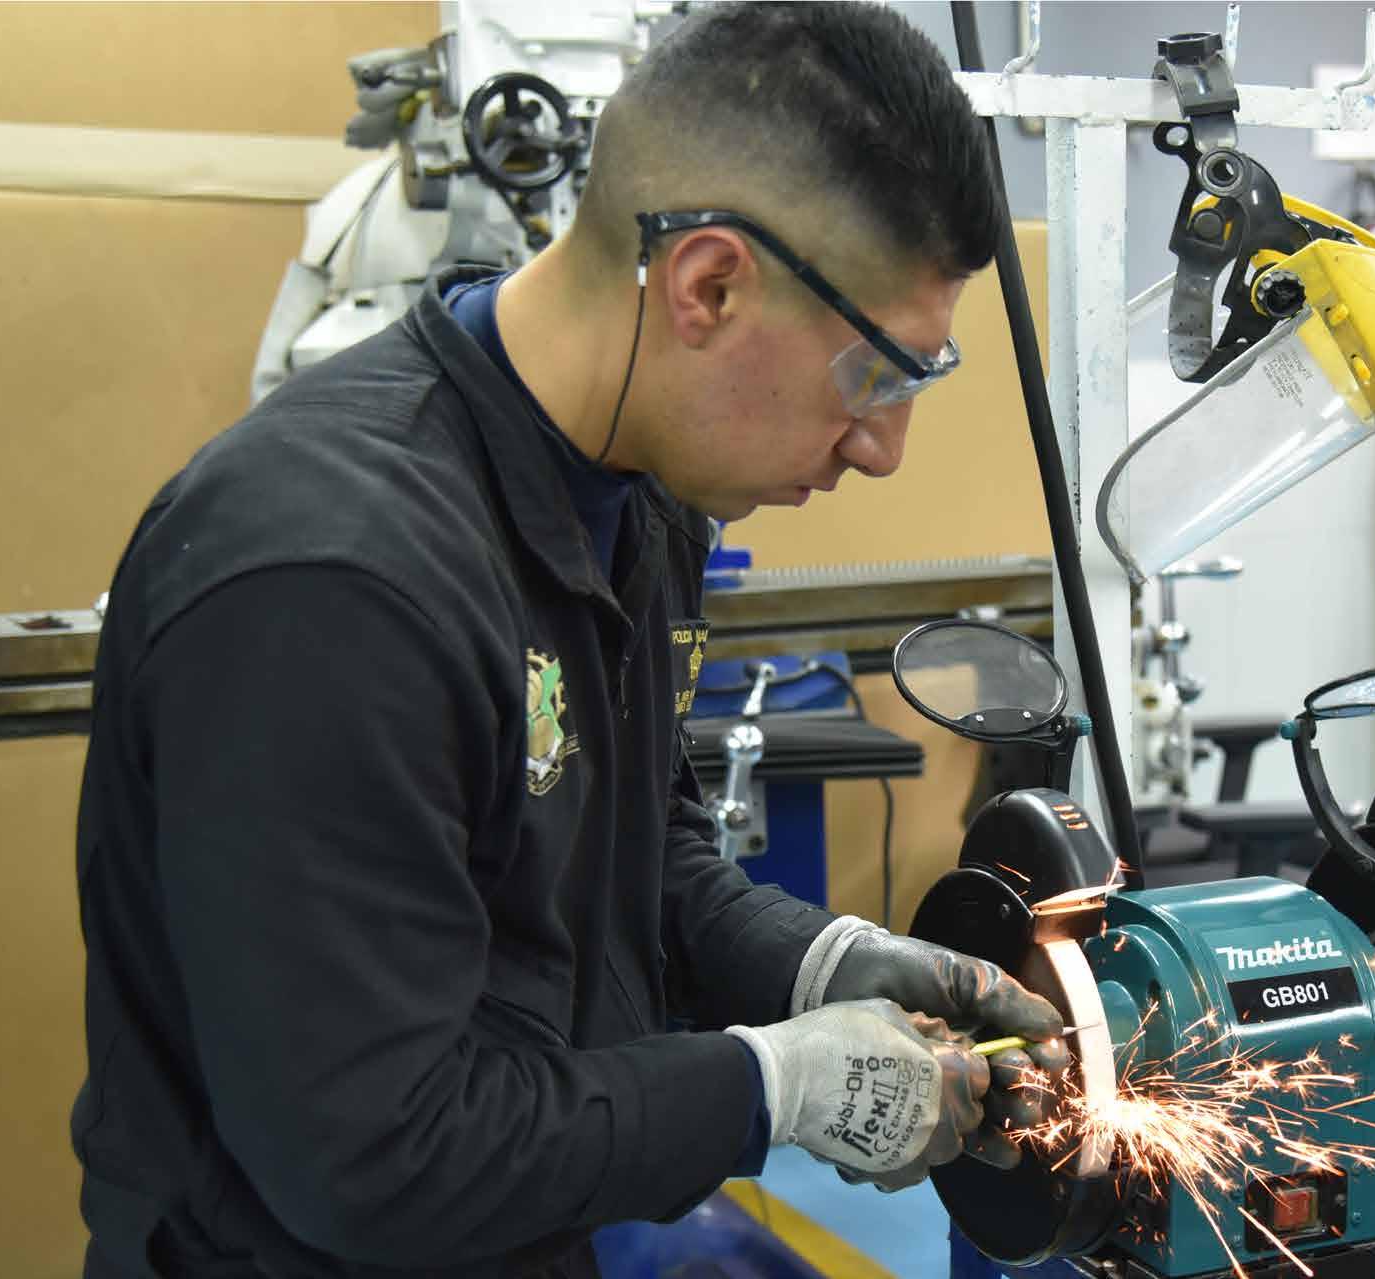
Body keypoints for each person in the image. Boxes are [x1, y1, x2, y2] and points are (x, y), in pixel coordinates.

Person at [71, 6, 1069, 1274]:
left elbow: (636, 858)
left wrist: (816, 964)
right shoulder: (332, 583)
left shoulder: (642, 498)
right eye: (874, 376)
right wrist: (770, 1087)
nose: (881, 449)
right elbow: (376, 1156)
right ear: (708, 286)